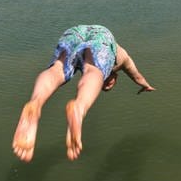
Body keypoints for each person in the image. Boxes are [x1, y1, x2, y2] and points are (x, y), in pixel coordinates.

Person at [12, 25, 155, 162]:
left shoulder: (119, 59)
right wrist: (147, 86)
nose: (106, 84)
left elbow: (138, 78)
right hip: (101, 36)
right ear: (114, 76)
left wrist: (144, 84)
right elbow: (137, 77)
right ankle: (79, 109)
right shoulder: (121, 59)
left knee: (58, 70)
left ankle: (36, 102)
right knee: (94, 70)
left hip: (73, 32)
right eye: (106, 84)